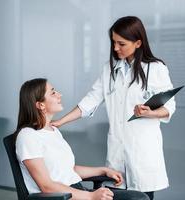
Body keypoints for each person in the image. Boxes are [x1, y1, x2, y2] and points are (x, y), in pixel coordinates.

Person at [51, 16, 176, 200]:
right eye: (113, 42)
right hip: (117, 152)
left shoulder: (155, 69)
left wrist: (151, 113)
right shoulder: (109, 69)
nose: (116, 48)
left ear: (138, 43)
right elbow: (90, 100)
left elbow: (169, 106)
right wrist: (61, 121)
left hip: (143, 152)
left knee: (142, 196)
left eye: (121, 43)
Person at [14, 78, 149, 200]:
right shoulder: (27, 136)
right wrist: (90, 196)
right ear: (40, 105)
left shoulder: (53, 131)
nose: (59, 95)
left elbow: (67, 170)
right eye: (53, 93)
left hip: (77, 191)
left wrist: (103, 170)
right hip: (62, 197)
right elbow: (46, 186)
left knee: (139, 197)